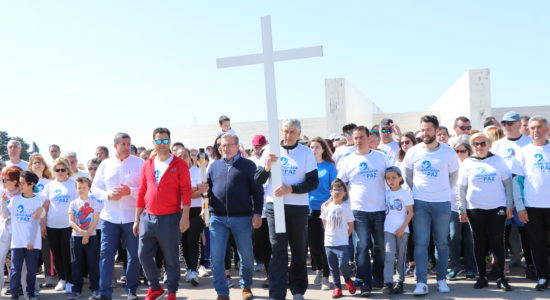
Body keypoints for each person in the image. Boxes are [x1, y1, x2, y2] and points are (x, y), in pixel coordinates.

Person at [255, 119, 319, 300]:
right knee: (278, 249)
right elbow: (258, 180)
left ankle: (298, 290)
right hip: (274, 206)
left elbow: (313, 182)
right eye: (284, 131)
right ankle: (276, 294)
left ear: (298, 134)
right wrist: (267, 167)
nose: (287, 135)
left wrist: (291, 189)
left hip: (297, 207)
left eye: (291, 132)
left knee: (298, 249)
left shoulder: (306, 153)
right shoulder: (269, 150)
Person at [404, 115, 459, 296]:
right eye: (422, 129)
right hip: (420, 203)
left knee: (442, 242)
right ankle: (421, 282)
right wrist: (419, 192)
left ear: (436, 130)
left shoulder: (448, 152)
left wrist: (441, 191)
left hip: (442, 203)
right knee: (420, 243)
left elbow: (453, 177)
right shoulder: (413, 151)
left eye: (428, 130)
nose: (425, 133)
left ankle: (441, 279)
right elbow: (408, 176)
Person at [134, 127, 191, 300]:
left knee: (171, 258)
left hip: (170, 217)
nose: (162, 144)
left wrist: (185, 216)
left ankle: (172, 291)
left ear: (170, 141)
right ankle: (155, 287)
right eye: (158, 141)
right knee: (143, 255)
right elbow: (142, 190)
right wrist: (137, 219)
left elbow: (186, 191)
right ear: (153, 142)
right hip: (148, 217)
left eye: (165, 140)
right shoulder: (148, 164)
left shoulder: (179, 164)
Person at [207, 133, 263, 300]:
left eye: (230, 145)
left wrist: (257, 213)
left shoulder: (249, 165)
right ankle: (222, 292)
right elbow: (209, 191)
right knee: (216, 257)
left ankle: (246, 286)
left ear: (238, 146)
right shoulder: (213, 166)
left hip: (243, 218)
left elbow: (257, 192)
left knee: (245, 255)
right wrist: (203, 192)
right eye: (223, 145)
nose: (226, 148)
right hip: (217, 218)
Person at [457, 133, 514, 291]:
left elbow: (508, 183)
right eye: (476, 144)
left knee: (497, 241)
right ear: (472, 146)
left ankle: (501, 277)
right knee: (479, 242)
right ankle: (481, 276)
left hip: (497, 207)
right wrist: (461, 208)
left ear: (489, 144)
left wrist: (510, 205)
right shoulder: (467, 163)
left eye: (483, 143)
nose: (479, 147)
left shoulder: (498, 160)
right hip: (475, 208)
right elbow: (461, 188)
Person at [337, 126, 389, 296]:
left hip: (380, 210)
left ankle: (378, 278)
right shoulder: (347, 160)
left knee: (380, 247)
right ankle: (365, 282)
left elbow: (393, 180)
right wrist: (334, 201)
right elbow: (340, 184)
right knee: (362, 246)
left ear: (369, 138)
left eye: (361, 137)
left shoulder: (381, 157)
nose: (358, 141)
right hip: (358, 211)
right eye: (356, 137)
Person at [91, 132, 144, 300]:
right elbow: (95, 188)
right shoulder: (105, 164)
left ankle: (131, 291)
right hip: (109, 218)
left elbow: (146, 188)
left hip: (132, 217)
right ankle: (104, 293)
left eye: (129, 144)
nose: (127, 147)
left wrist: (131, 192)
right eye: (124, 144)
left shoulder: (140, 163)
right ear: (115, 146)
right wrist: (108, 195)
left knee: (133, 254)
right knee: (106, 255)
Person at [516, 115, 550, 291]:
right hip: (532, 207)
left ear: (547, 129)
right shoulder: (523, 152)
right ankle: (543, 277)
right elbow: (517, 181)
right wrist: (520, 207)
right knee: (537, 245)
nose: (536, 131)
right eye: (532, 128)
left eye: (539, 127)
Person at [4, 171, 44, 300]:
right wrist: (3, 202)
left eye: (22, 182)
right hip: (17, 243)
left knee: (32, 271)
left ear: (31, 184)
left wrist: (31, 241)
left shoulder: (38, 199)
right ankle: (15, 294)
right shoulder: (15, 199)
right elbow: (6, 214)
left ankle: (30, 293)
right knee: (16, 270)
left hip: (32, 243)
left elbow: (36, 221)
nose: (20, 185)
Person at [42, 158, 77, 294]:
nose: (61, 172)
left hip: (68, 225)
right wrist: (43, 224)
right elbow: (45, 206)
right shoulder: (50, 186)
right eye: (58, 170)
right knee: (56, 254)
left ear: (67, 170)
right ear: (54, 171)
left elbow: (76, 205)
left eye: (63, 169)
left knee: (67, 254)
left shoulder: (72, 184)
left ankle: (69, 281)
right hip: (52, 225)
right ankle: (61, 279)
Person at [174, 148, 208, 287]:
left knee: (193, 240)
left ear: (190, 157)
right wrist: (193, 189)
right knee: (183, 241)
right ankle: (188, 269)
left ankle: (194, 270)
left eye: (185, 156)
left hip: (196, 210)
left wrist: (191, 191)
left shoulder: (198, 171)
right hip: (179, 210)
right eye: (179, 156)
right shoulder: (173, 173)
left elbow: (203, 191)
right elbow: (177, 194)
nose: (183, 158)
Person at [308, 137, 337, 290]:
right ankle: (318, 270)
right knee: (313, 244)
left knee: (325, 243)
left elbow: (335, 188)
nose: (314, 150)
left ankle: (326, 276)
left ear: (323, 149)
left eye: (317, 147)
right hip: (308, 210)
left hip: (326, 209)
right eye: (311, 147)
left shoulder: (330, 166)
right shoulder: (306, 166)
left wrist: (330, 202)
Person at [447, 137, 476, 281]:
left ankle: (471, 269)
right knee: (454, 237)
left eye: (462, 151)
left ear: (469, 151)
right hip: (453, 207)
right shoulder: (450, 164)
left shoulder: (473, 164)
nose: (459, 153)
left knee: (470, 239)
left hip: (471, 207)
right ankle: (455, 267)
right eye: (456, 151)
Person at [321, 179, 356, 299]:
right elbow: (324, 222)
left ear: (345, 193)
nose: (337, 192)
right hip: (329, 242)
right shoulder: (326, 206)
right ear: (331, 191)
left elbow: (351, 225)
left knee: (343, 265)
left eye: (340, 190)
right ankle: (337, 288)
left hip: (342, 242)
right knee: (332, 267)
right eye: (335, 189)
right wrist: (330, 234)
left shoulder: (346, 207)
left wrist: (345, 235)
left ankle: (347, 279)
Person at [67, 177, 101, 299]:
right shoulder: (73, 203)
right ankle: (76, 290)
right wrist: (82, 232)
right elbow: (71, 221)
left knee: (93, 264)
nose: (81, 190)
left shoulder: (94, 202)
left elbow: (95, 220)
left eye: (84, 187)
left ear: (89, 188)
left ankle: (95, 289)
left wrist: (87, 234)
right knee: (76, 264)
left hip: (91, 237)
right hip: (76, 238)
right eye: (79, 187)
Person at [382, 167, 413, 295]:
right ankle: (388, 282)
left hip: (402, 230)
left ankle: (400, 282)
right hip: (388, 229)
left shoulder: (404, 193)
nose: (391, 180)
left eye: (394, 177)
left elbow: (410, 212)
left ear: (400, 178)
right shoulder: (386, 193)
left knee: (401, 257)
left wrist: (402, 228)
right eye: (388, 178)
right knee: (389, 255)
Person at [28, 154, 56, 288]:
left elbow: (49, 202)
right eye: (34, 162)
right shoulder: (27, 183)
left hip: (46, 220)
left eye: (39, 162)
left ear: (44, 165)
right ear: (30, 166)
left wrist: (43, 220)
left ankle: (49, 276)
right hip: (29, 222)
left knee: (47, 250)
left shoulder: (49, 183)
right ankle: (30, 277)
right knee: (30, 250)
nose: (37, 164)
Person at [0, 166, 23, 294]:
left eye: (5, 179)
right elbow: (3, 214)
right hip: (3, 229)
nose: (3, 182)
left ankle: (27, 289)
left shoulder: (24, 193)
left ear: (15, 181)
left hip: (19, 231)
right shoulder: (1, 191)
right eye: (2, 179)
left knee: (20, 262)